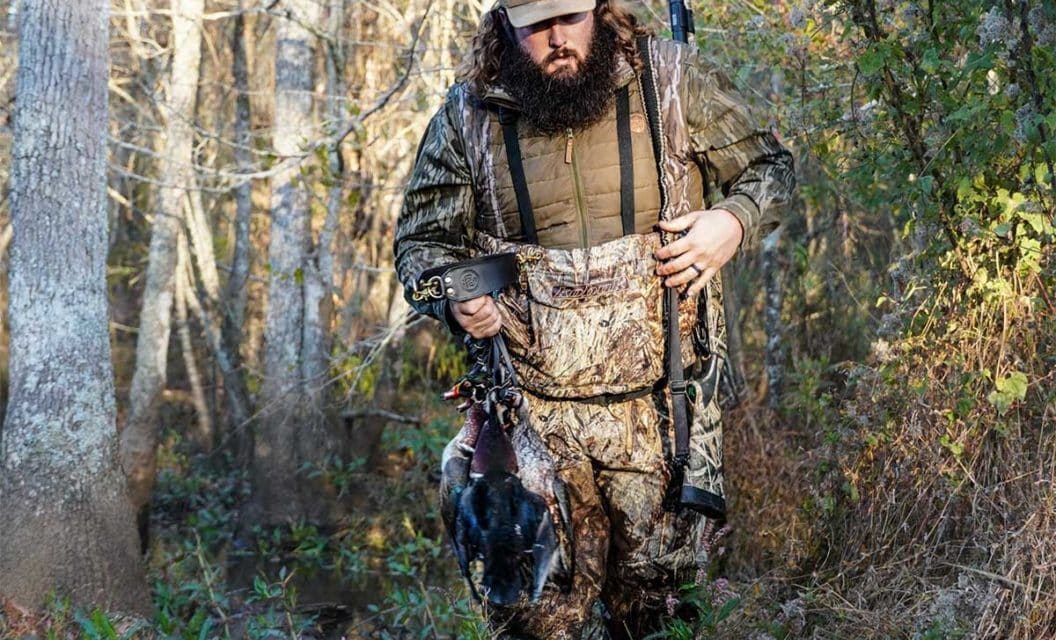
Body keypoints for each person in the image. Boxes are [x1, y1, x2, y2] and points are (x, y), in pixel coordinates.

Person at [393, 0, 795, 636]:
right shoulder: (468, 115)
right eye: (535, 26)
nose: (556, 39)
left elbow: (772, 168)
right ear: (504, 25)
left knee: (663, 622)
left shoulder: (671, 79)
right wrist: (456, 295)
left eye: (570, 17)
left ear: (603, 10)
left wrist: (732, 221)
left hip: (663, 419)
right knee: (532, 621)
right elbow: (420, 249)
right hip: (528, 428)